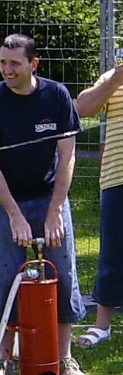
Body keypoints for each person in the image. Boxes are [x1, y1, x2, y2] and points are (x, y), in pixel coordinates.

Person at [0, 33, 86, 375]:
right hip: (6, 202)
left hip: (50, 197)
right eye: (3, 63)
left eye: (15, 64)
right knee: (7, 273)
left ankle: (64, 358)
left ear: (33, 64)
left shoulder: (57, 96)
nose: (7, 70)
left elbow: (67, 157)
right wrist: (15, 216)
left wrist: (55, 211)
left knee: (61, 272)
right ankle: (3, 359)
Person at [75, 64, 123, 347]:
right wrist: (117, 78)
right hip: (117, 178)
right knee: (113, 254)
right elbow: (82, 108)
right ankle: (102, 325)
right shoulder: (114, 77)